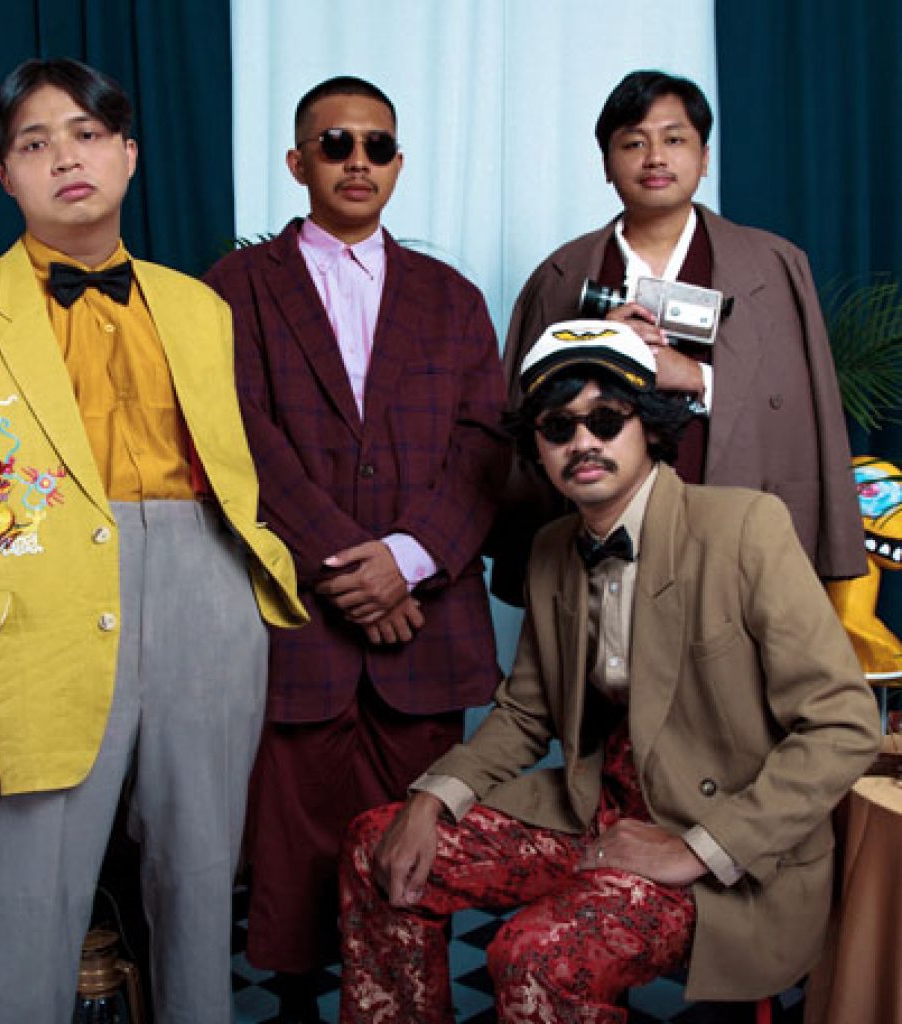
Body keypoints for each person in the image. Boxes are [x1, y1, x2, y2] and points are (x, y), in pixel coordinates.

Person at [0, 57, 306, 1024]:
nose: (65, 158)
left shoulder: (199, 308)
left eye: (86, 134)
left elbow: (232, 472)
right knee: (30, 903)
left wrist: (247, 591)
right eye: (35, 144)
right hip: (40, 628)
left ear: (128, 154)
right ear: (7, 177)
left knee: (203, 885)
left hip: (205, 598)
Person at [339, 321, 881, 1023]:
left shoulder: (746, 528)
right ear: (537, 447)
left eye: (605, 419)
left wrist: (698, 848)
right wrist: (431, 801)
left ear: (650, 427)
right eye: (558, 426)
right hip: (595, 811)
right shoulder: (550, 550)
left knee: (535, 958)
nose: (582, 442)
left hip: (721, 835)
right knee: (375, 846)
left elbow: (843, 724)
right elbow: (525, 714)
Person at [203, 75, 509, 1022]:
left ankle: (405, 1005)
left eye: (377, 145)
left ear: (399, 163)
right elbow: (239, 441)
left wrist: (408, 560)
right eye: (336, 144)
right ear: (298, 162)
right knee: (291, 846)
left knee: (412, 853)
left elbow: (485, 444)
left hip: (425, 621)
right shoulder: (235, 289)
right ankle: (293, 1002)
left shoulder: (453, 298)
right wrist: (354, 568)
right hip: (299, 616)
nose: (358, 161)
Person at [490, 69, 864, 606]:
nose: (655, 158)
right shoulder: (561, 277)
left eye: (674, 140)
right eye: (633, 143)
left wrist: (696, 378)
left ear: (704, 157)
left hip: (735, 532)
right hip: (598, 543)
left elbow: (805, 418)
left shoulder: (774, 266)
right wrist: (594, 350)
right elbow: (525, 424)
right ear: (605, 164)